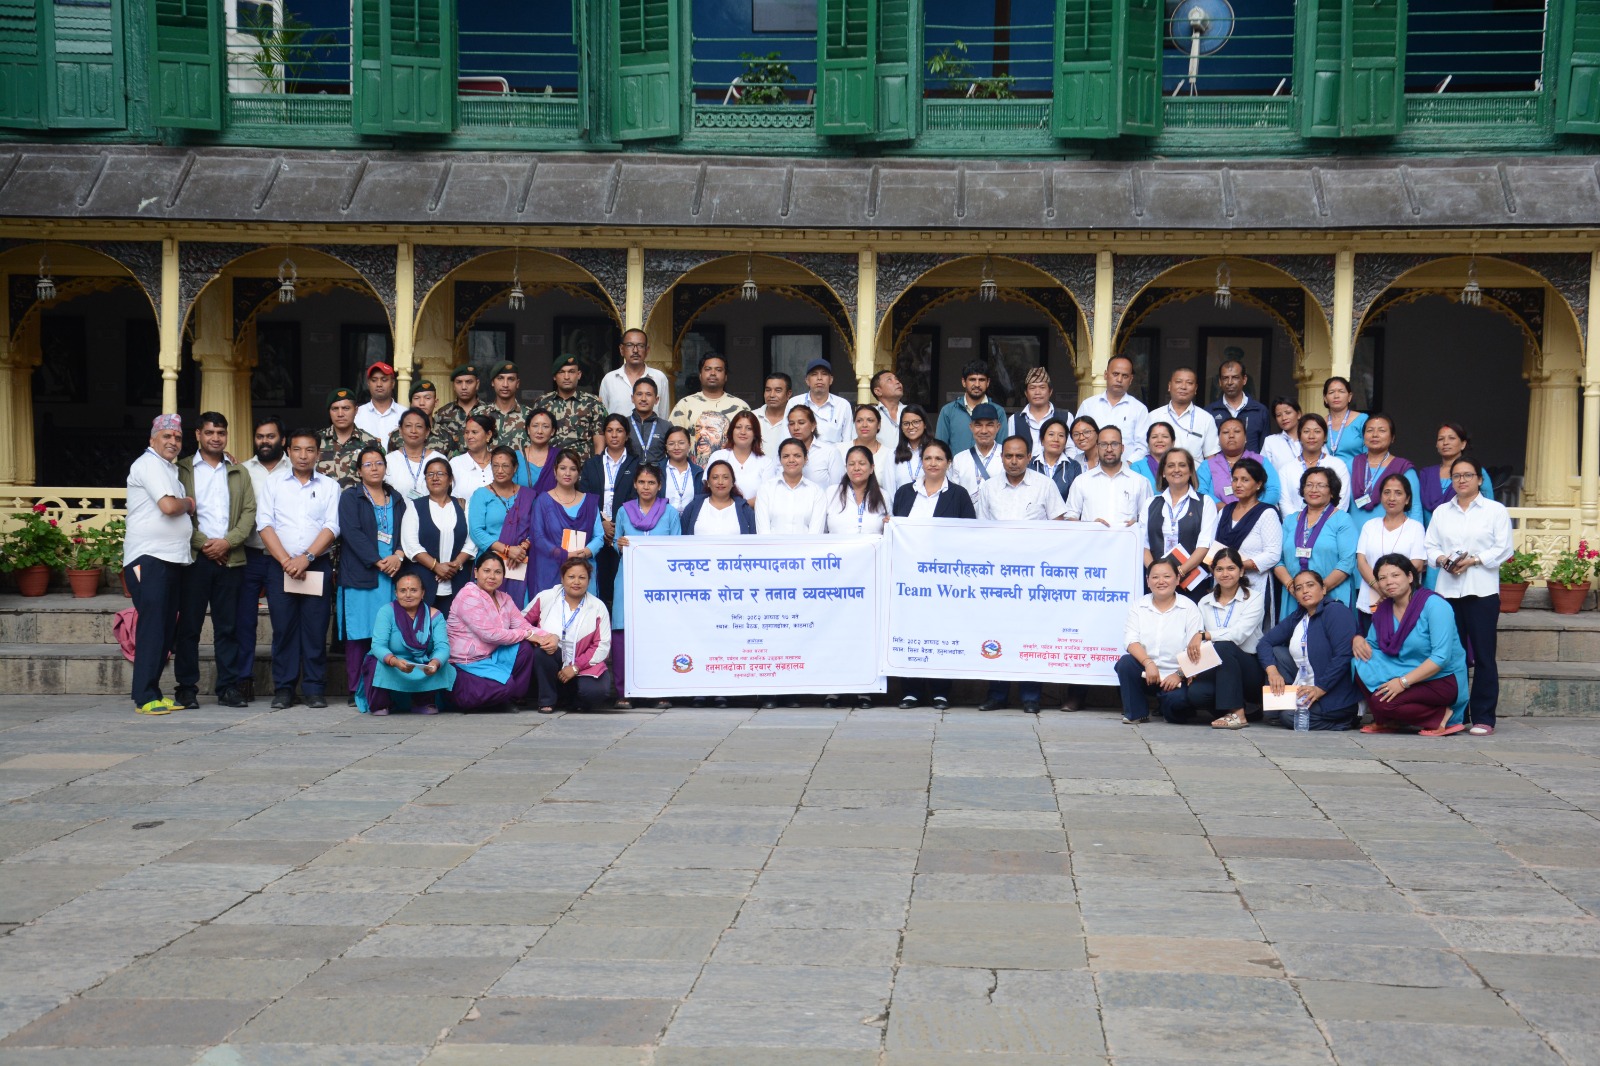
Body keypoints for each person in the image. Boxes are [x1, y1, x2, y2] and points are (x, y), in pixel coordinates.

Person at [975, 436, 1067, 714]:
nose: (1013, 462)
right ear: (1002, 457)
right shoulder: (988, 488)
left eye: (1019, 456)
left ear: (1029, 457)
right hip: (999, 577)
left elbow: (1059, 526)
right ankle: (997, 694)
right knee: (998, 631)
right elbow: (981, 531)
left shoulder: (1045, 485)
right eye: (1008, 456)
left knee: (1032, 634)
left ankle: (1030, 696)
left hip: (1035, 576)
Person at [1424, 456, 1513, 736]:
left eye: (1467, 475)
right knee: (1452, 655)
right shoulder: (1442, 512)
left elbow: (1504, 548)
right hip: (1447, 592)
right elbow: (1430, 546)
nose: (1462, 480)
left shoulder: (1495, 511)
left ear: (1479, 479)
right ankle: (1455, 714)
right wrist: (1443, 560)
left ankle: (1484, 717)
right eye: (1456, 476)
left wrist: (1474, 560)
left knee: (1484, 655)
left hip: (1482, 591)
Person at [174, 411, 255, 710]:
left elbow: (249, 512)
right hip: (195, 559)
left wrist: (227, 543)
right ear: (198, 434)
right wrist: (205, 544)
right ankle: (186, 688)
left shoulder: (238, 471)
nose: (215, 438)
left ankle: (228, 688)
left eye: (221, 433)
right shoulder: (181, 470)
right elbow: (176, 512)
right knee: (189, 627)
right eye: (209, 432)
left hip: (230, 560)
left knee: (228, 627)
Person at [257, 428, 340, 709]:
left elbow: (332, 526)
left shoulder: (329, 486)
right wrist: (287, 561)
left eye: (309, 450)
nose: (303, 455)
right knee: (284, 629)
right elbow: (265, 524)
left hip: (316, 565)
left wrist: (306, 558)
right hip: (280, 566)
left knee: (316, 629)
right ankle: (284, 689)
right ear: (288, 452)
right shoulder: (274, 483)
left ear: (318, 453)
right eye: (297, 449)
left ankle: (314, 689)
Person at [892, 439, 975, 709]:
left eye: (939, 458)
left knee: (942, 631)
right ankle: (911, 690)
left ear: (948, 463)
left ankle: (941, 691)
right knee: (910, 630)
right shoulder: (905, 493)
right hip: (909, 577)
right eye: (928, 458)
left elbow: (969, 535)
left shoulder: (959, 495)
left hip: (944, 578)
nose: (933, 463)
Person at [123, 414, 196, 715]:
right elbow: (168, 506)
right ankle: (143, 696)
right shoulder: (148, 464)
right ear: (152, 439)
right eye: (166, 436)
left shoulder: (168, 469)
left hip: (170, 558)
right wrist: (189, 504)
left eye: (177, 437)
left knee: (165, 627)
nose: (173, 441)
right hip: (149, 557)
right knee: (153, 627)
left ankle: (153, 690)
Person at [1353, 554, 1469, 736]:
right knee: (1358, 661)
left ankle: (1441, 717)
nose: (1389, 582)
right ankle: (1388, 721)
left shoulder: (1435, 605)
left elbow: (1441, 657)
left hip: (1441, 678)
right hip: (1402, 669)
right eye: (1382, 578)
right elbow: (1373, 646)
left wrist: (1402, 682)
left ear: (1409, 577)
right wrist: (1358, 640)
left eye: (1395, 575)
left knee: (1382, 703)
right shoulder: (1384, 609)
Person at [819, 447, 890, 711]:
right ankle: (834, 688)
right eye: (851, 463)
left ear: (872, 468)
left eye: (862, 463)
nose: (856, 468)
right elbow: (821, 532)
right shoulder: (831, 494)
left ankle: (864, 689)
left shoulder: (884, 496)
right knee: (835, 631)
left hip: (871, 576)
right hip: (836, 576)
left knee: (865, 633)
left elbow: (890, 534)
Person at [337, 446, 408, 699]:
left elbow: (406, 531)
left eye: (379, 463)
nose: (374, 468)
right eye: (368, 464)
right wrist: (378, 561)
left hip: (392, 574)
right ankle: (357, 688)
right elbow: (352, 533)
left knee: (387, 634)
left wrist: (398, 554)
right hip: (362, 574)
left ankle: (383, 687)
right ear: (359, 471)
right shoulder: (351, 497)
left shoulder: (396, 498)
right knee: (359, 634)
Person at [1174, 548, 1268, 729]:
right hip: (1216, 665)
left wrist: (1205, 635)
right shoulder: (1204, 602)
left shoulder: (1254, 598)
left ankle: (1238, 714)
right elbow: (1197, 640)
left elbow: (1238, 635)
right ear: (1213, 572)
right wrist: (1191, 668)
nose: (1225, 574)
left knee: (1224, 646)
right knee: (1196, 694)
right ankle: (1244, 709)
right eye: (1219, 569)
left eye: (1231, 568)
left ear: (1241, 571)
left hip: (1248, 667)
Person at [611, 465, 681, 710]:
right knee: (624, 634)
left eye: (651, 482)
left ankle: (660, 691)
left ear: (659, 486)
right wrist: (620, 545)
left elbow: (676, 547)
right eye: (641, 482)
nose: (646, 487)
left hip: (659, 583)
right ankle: (624, 692)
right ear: (635, 484)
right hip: (628, 579)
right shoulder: (624, 511)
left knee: (658, 634)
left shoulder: (670, 512)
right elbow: (616, 543)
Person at [1259, 568, 1361, 730]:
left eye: (1310, 585)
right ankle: (1282, 706)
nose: (1305, 591)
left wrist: (1321, 688)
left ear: (1323, 589)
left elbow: (1343, 655)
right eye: (1299, 588)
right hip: (1305, 683)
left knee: (1289, 717)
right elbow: (1264, 643)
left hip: (1332, 692)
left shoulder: (1335, 611)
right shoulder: (1299, 616)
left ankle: (1344, 721)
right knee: (1276, 652)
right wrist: (1272, 671)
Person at [447, 551, 549, 711]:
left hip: (491, 657)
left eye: (497, 572)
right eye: (486, 571)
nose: (492, 576)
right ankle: (500, 694)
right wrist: (528, 635)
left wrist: (549, 637)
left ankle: (511, 697)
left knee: (524, 648)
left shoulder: (504, 598)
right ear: (476, 572)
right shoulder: (468, 596)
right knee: (506, 686)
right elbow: (489, 634)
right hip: (466, 663)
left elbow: (523, 625)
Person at [1114, 557, 1204, 725]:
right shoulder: (1139, 606)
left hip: (1176, 678)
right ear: (1148, 581)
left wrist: (1179, 674)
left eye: (1167, 576)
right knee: (1125, 663)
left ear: (1177, 579)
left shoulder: (1189, 607)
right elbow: (1131, 641)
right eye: (1155, 577)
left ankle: (1166, 705)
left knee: (1176, 705)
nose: (1161, 581)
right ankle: (1137, 713)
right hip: (1147, 673)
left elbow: (1197, 648)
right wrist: (1148, 663)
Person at [354, 572, 455, 715]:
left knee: (441, 663)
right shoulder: (386, 612)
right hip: (393, 663)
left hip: (422, 664)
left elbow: (442, 646)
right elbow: (378, 645)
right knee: (376, 663)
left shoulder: (435, 616)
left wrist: (434, 663)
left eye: (413, 590)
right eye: (403, 590)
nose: (408, 595)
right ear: (396, 593)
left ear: (422, 593)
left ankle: (423, 702)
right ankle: (383, 703)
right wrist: (394, 661)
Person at [238, 416, 287, 703]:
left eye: (270, 436)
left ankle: (283, 686)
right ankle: (243, 680)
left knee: (283, 622)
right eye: (260, 437)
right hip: (250, 556)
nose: (265, 441)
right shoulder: (242, 470)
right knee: (244, 621)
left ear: (282, 439)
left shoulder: (295, 469)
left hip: (284, 559)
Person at [526, 557, 614, 713]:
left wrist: (576, 667)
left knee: (596, 692)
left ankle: (570, 699)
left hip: (582, 665)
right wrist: (540, 637)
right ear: (562, 578)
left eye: (582, 577)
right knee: (542, 653)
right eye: (571, 577)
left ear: (589, 581)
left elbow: (602, 645)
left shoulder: (597, 607)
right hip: (553, 658)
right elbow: (520, 622)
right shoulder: (546, 597)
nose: (576, 582)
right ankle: (547, 701)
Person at [1274, 467, 1358, 618]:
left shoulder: (1342, 520)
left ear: (1332, 491)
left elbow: (1347, 562)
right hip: (1294, 597)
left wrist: (1319, 590)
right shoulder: (1290, 521)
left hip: (1332, 595)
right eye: (1309, 485)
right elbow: (1277, 560)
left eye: (1321, 485)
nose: (1314, 489)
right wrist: (1292, 586)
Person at [400, 457, 476, 615]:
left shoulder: (463, 505)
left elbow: (471, 540)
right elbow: (411, 545)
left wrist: (456, 564)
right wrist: (436, 566)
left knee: (455, 625)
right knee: (422, 625)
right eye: (430, 474)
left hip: (457, 580)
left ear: (450, 479)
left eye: (440, 473)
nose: (435, 478)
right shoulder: (415, 506)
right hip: (423, 581)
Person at [580, 413, 639, 608]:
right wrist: (602, 524)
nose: (614, 435)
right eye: (610, 430)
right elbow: (585, 497)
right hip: (596, 531)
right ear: (603, 434)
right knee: (598, 585)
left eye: (619, 431)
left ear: (627, 435)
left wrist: (616, 527)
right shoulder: (591, 464)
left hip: (624, 532)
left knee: (622, 586)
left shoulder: (636, 464)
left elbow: (635, 497)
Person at [1143, 447, 1217, 598]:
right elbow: (1143, 545)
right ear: (1163, 472)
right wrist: (1157, 575)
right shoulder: (1150, 503)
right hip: (1157, 584)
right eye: (1171, 465)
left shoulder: (1205, 502)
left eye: (1182, 465)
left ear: (1190, 471)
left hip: (1192, 582)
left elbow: (1204, 545)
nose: (1176, 470)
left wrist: (1179, 573)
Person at [1355, 473, 1428, 624]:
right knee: (1371, 637)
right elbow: (1361, 562)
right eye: (1387, 492)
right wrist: (1380, 587)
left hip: (1403, 601)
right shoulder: (1370, 526)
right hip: (1371, 598)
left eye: (1398, 493)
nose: (1392, 498)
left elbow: (1417, 565)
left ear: (1407, 499)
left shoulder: (1416, 527)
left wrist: (1392, 587)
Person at [469, 446, 536, 607]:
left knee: (519, 608)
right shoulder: (481, 494)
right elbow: (476, 531)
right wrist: (507, 550)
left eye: (505, 466)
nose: (500, 470)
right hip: (490, 561)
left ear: (515, 468)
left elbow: (536, 527)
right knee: (487, 608)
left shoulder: (528, 495)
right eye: (495, 465)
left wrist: (521, 549)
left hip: (520, 561)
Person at [532, 450, 604, 597]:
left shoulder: (589, 502)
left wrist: (585, 552)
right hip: (551, 568)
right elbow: (538, 537)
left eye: (573, 469)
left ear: (579, 473)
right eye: (563, 468)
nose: (567, 473)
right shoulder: (543, 501)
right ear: (555, 471)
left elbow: (599, 536)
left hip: (583, 566)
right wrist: (564, 554)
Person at [1212, 458, 1283, 600]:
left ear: (1258, 484)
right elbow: (1213, 548)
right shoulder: (1224, 512)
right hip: (1223, 584)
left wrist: (1236, 567)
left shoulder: (1267, 513)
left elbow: (1273, 554)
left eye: (1245, 480)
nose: (1238, 484)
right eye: (1235, 479)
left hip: (1255, 583)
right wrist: (1227, 570)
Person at [1065, 426, 1153, 528]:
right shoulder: (1081, 481)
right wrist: (1090, 526)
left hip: (1128, 538)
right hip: (1091, 538)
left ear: (1122, 448)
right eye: (1103, 444)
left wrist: (1137, 525)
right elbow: (1069, 518)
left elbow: (1149, 519)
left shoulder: (1140, 482)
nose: (1109, 449)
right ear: (1097, 448)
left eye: (1114, 444)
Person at [670, 353, 750, 464]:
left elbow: (751, 444)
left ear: (726, 376)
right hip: (692, 473)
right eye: (708, 369)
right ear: (700, 375)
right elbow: (671, 441)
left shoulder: (740, 408)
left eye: (718, 370)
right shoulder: (685, 405)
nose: (712, 373)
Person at [1349, 413, 1422, 525]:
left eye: (1382, 430)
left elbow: (1415, 508)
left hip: (1392, 533)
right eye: (1370, 430)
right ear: (1363, 437)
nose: (1375, 435)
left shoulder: (1403, 468)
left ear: (1392, 438)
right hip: (1352, 533)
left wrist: (1416, 533)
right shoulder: (1351, 465)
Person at [1419, 421, 1496, 523]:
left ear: (1463, 444)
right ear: (1436, 445)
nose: (1445, 442)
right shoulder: (1427, 474)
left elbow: (1488, 504)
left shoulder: (1475, 471)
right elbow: (1418, 508)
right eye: (1441, 439)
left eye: (1451, 438)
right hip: (1430, 530)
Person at [1078, 354, 1150, 463]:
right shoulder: (1088, 405)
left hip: (1127, 469)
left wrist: (1126, 466)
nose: (1119, 379)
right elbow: (1076, 438)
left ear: (1131, 379)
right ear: (1106, 375)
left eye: (1125, 376)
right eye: (1115, 374)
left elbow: (1143, 447)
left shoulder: (1139, 409)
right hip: (1089, 469)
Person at [1277, 413, 1352, 515]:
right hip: (1295, 523)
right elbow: (1285, 503)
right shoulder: (1286, 469)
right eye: (1306, 431)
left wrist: (1325, 521)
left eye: (1317, 431)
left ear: (1325, 437)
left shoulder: (1338, 465)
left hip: (1330, 523)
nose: (1311, 436)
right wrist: (1298, 522)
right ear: (1299, 436)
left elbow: (1342, 500)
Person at [1197, 417, 1281, 507]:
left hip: (1258, 513)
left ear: (1245, 438)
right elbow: (1200, 491)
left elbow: (1273, 490)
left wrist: (1254, 510)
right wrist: (1225, 510)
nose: (1231, 435)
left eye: (1237, 431)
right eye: (1225, 432)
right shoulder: (1207, 465)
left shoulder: (1261, 461)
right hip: (1217, 513)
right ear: (1218, 439)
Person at [540, 353, 608, 457]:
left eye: (571, 372)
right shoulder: (542, 403)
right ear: (554, 376)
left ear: (579, 374)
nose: (566, 377)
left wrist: (597, 465)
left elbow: (599, 442)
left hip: (583, 465)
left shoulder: (593, 403)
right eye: (561, 372)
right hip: (550, 463)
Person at [755, 439, 826, 536]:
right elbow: (763, 532)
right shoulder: (766, 489)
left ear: (805, 459)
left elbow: (815, 533)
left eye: (797, 456)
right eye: (786, 456)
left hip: (807, 546)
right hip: (772, 546)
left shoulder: (816, 492)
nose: (791, 460)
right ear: (780, 460)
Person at [1145, 367, 1220, 460]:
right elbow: (1145, 452)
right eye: (1178, 382)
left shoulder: (1206, 418)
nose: (1183, 387)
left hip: (1195, 470)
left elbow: (1211, 457)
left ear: (1196, 388)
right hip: (1159, 469)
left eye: (1189, 383)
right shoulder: (1153, 416)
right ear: (1169, 386)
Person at [599, 328, 672, 415]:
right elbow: (603, 417)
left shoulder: (659, 378)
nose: (635, 350)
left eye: (640, 346)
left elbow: (664, 416)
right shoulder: (609, 380)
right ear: (622, 349)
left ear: (647, 350)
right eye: (630, 345)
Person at [317, 387, 380, 488]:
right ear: (329, 412)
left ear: (356, 410)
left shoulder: (370, 442)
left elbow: (378, 479)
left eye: (346, 408)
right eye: (335, 409)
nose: (340, 414)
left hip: (358, 498)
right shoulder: (316, 440)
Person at [1206, 357, 1271, 453]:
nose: (1230, 382)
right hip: (1219, 463)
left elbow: (1265, 450)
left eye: (1235, 377)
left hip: (1252, 463)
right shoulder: (1209, 412)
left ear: (1244, 379)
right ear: (1220, 382)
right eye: (1225, 378)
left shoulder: (1260, 411)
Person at [708, 410, 773, 503]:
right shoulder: (718, 456)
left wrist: (740, 507)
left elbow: (767, 496)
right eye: (738, 427)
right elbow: (708, 489)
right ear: (732, 431)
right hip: (720, 510)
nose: (743, 432)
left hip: (754, 511)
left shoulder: (766, 462)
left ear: (755, 434)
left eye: (749, 428)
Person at [682, 459, 756, 539]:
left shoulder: (745, 509)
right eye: (715, 477)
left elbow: (753, 541)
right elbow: (682, 539)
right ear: (708, 482)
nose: (720, 482)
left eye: (725, 477)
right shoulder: (693, 507)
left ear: (732, 482)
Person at [785, 357, 854, 444]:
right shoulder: (794, 402)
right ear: (807, 380)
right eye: (814, 374)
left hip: (834, 453)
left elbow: (847, 441)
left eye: (824, 374)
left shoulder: (843, 405)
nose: (819, 378)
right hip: (801, 452)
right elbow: (786, 436)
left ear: (831, 380)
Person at [935, 360, 998, 454]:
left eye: (981, 380)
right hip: (956, 464)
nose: (977, 384)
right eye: (972, 379)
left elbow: (1003, 448)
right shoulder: (948, 411)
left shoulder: (998, 411)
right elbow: (939, 448)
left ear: (988, 382)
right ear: (964, 382)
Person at [432, 364, 496, 456]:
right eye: (459, 382)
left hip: (481, 462)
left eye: (469, 382)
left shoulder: (489, 412)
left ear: (477, 384)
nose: (464, 387)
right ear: (454, 385)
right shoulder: (442, 414)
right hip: (451, 463)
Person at [385, 407, 446, 501]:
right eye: (408, 426)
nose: (413, 431)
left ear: (427, 432)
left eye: (419, 426)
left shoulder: (439, 459)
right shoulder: (388, 461)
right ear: (400, 430)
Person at [838, 404, 896, 495]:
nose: (864, 425)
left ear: (879, 425)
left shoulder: (889, 454)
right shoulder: (839, 450)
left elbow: (890, 490)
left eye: (870, 420)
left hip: (877, 501)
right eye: (859, 421)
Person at [484, 360, 540, 451]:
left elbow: (539, 451)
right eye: (500, 378)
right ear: (493, 382)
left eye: (511, 379)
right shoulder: (479, 414)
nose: (505, 384)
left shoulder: (530, 416)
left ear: (517, 383)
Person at [1007, 367, 1063, 457]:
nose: (1037, 392)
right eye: (1032, 388)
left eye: (1042, 387)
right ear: (1026, 393)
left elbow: (1071, 449)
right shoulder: (1014, 420)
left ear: (1050, 391)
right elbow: (1010, 449)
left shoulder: (1065, 417)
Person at [784, 405, 843, 488]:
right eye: (791, 424)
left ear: (813, 425)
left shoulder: (830, 452)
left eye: (801, 423)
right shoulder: (783, 453)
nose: (796, 428)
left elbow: (837, 489)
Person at [950, 402, 1003, 494]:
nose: (984, 431)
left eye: (989, 425)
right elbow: (954, 494)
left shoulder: (1007, 456)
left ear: (997, 427)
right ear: (971, 427)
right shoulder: (960, 459)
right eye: (978, 425)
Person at [1030, 417, 1081, 502]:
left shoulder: (1074, 467)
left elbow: (1076, 500)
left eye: (1061, 435)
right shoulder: (1030, 464)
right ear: (1042, 439)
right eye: (1051, 434)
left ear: (1066, 441)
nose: (1056, 439)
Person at [449, 414, 496, 504]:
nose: (469, 436)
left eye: (474, 432)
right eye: (467, 432)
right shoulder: (455, 463)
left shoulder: (499, 462)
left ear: (488, 434)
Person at [514, 409, 563, 495]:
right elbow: (508, 491)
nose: (540, 431)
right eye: (535, 426)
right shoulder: (515, 457)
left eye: (545, 426)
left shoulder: (560, 456)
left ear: (552, 431)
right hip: (521, 503)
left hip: (552, 504)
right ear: (528, 429)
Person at [384, 379, 440, 454]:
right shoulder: (397, 435)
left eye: (427, 398)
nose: (422, 403)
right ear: (411, 403)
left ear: (436, 402)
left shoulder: (446, 436)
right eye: (417, 398)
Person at [1323, 376, 1368, 464]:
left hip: (1355, 471)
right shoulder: (1321, 424)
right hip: (1326, 471)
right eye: (1331, 392)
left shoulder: (1362, 420)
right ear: (1325, 398)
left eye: (1341, 391)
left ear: (1349, 397)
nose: (1336, 396)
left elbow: (1370, 452)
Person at [354, 361, 403, 443]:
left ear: (393, 383)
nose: (379, 384)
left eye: (384, 380)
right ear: (368, 383)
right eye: (374, 380)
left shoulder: (404, 414)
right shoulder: (357, 414)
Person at [660, 425, 704, 512]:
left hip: (690, 519)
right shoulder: (657, 471)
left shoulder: (698, 473)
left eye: (681, 443)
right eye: (671, 444)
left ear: (689, 445)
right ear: (666, 446)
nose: (676, 447)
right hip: (663, 519)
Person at [624, 378, 667, 466]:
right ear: (632, 398)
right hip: (629, 473)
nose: (643, 399)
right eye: (639, 394)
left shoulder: (666, 426)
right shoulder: (623, 424)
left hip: (658, 473)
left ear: (656, 400)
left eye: (648, 394)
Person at [1260, 397, 1304, 475]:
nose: (1284, 418)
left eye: (1288, 413)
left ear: (1299, 414)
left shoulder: (1311, 439)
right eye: (1278, 415)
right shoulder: (1271, 441)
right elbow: (1263, 471)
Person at [893, 405, 931, 488]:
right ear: (901, 427)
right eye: (906, 423)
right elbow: (889, 489)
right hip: (901, 497)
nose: (910, 427)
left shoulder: (935, 452)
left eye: (916, 422)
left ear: (925, 424)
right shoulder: (893, 455)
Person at [757, 372, 795, 456]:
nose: (772, 395)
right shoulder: (753, 417)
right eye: (768, 390)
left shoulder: (795, 420)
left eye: (778, 391)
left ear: (789, 394)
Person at [1134, 420, 1175, 491]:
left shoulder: (1182, 466)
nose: (1159, 440)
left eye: (1165, 436)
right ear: (1148, 442)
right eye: (1154, 437)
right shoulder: (1137, 468)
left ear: (1173, 442)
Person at [870, 369, 905, 453]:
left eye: (897, 379)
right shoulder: (870, 415)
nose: (897, 382)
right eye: (889, 380)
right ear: (878, 391)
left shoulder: (911, 412)